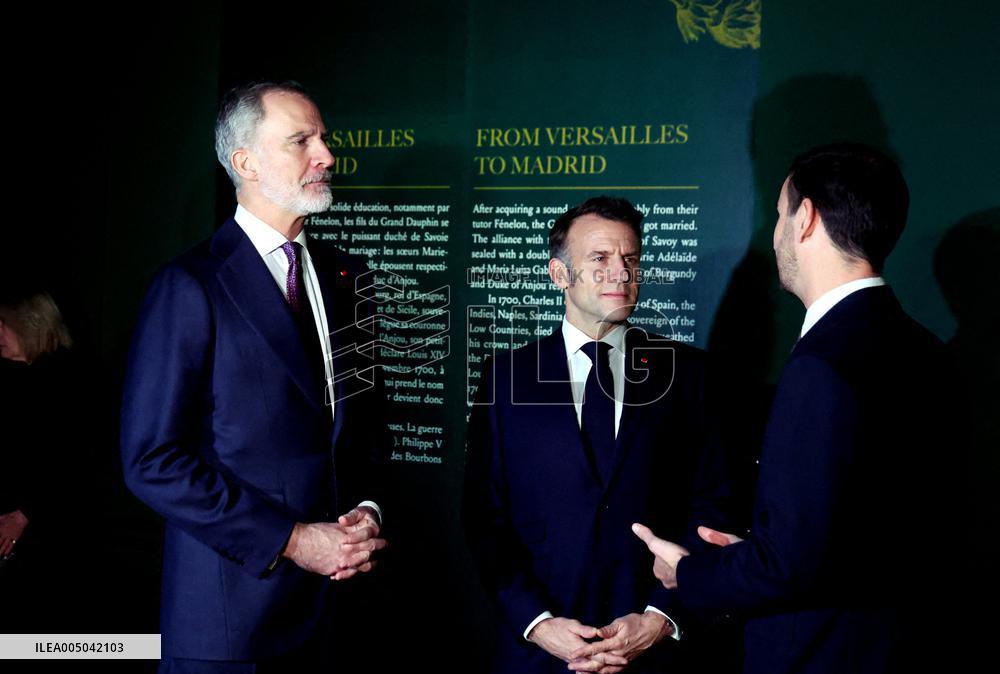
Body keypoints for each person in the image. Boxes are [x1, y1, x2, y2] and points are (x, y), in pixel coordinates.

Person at [629, 142, 961, 674]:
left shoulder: (821, 364)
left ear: (805, 218)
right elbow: (862, 531)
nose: (775, 230)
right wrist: (759, 551)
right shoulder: (926, 349)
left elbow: (791, 566)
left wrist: (689, 574)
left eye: (780, 212)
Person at [121, 81, 387, 672]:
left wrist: (367, 511)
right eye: (301, 140)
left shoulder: (351, 279)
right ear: (244, 162)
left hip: (339, 617)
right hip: (231, 626)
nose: (327, 156)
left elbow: (364, 428)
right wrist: (295, 541)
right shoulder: (190, 285)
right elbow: (152, 461)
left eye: (324, 138)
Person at [464, 196, 730, 674]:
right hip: (538, 654)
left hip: (656, 652)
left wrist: (659, 618)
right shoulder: (506, 377)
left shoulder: (689, 374)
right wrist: (538, 623)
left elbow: (714, 501)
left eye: (630, 260)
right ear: (559, 274)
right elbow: (484, 517)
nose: (621, 274)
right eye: (600, 259)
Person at [0, 290, 84, 631]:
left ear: (30, 325)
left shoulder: (69, 381)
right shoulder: (13, 377)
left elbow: (71, 461)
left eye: (3, 325)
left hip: (44, 534)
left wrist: (23, 515)